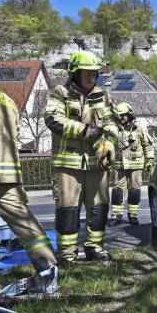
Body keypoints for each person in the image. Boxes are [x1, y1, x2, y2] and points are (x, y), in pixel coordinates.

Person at [44, 50, 118, 265]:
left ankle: (95, 249)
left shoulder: (104, 96)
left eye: (95, 73)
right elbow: (53, 119)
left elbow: (112, 122)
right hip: (67, 165)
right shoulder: (59, 93)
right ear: (75, 73)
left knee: (99, 209)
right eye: (86, 72)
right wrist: (87, 131)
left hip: (97, 164)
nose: (91, 77)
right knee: (68, 210)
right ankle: (67, 254)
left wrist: (110, 142)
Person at [0, 62, 58, 287]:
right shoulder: (6, 100)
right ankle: (48, 268)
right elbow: (15, 134)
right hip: (7, 175)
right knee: (26, 226)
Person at [110, 102, 154, 225]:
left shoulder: (138, 127)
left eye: (123, 116)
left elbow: (147, 144)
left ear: (129, 115)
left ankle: (133, 215)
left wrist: (150, 160)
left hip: (136, 165)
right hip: (120, 165)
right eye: (118, 116)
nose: (120, 118)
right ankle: (116, 216)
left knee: (134, 190)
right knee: (117, 191)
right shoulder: (114, 128)